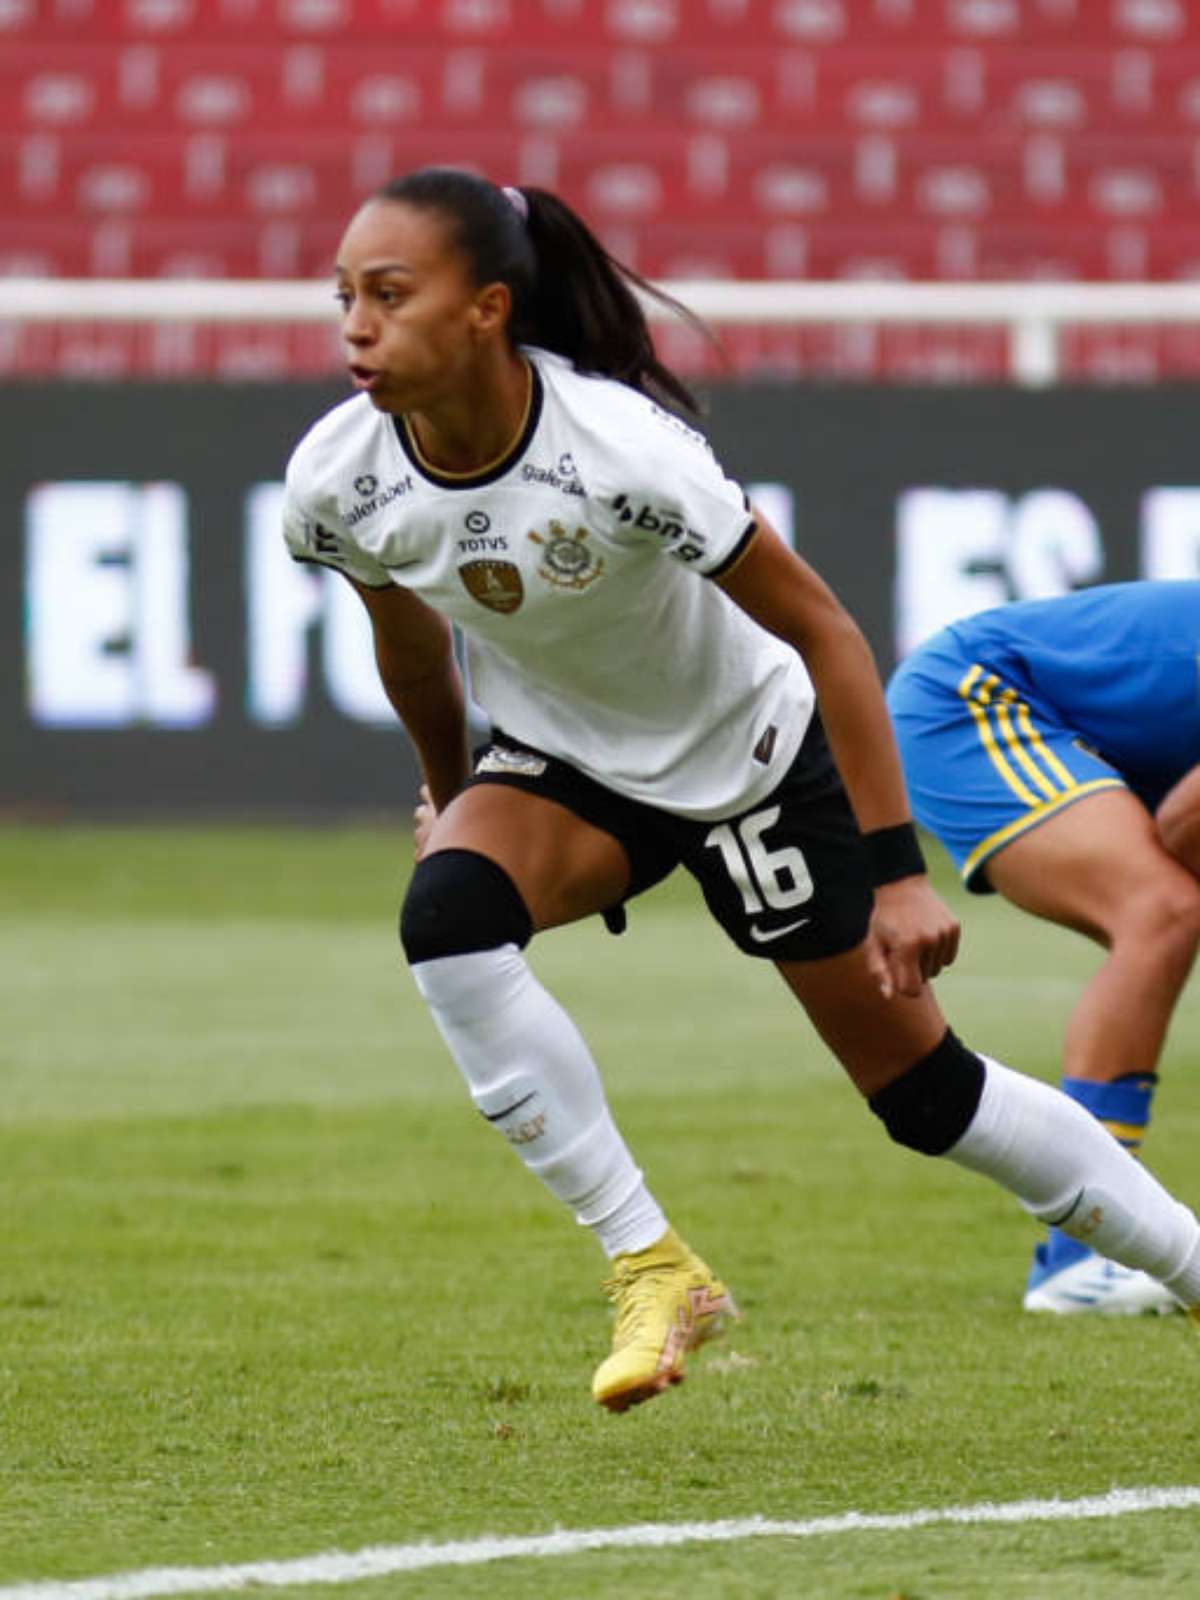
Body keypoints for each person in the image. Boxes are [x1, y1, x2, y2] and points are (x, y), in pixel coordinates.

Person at [281, 166, 1200, 1413]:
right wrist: (452, 793)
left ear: (489, 307)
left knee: (931, 1099)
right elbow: (410, 649)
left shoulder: (623, 451)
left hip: (751, 761)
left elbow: (827, 635)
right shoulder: (337, 478)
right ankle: (654, 1265)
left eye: (390, 293)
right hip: (569, 767)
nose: (356, 324)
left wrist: (893, 875)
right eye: (345, 294)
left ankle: (1186, 1263)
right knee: (446, 922)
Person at [888, 582, 1200, 1315]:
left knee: (1167, 914)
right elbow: (1184, 826)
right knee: (1161, 913)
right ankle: (1081, 1258)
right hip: (974, 698)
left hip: (1084, 732)